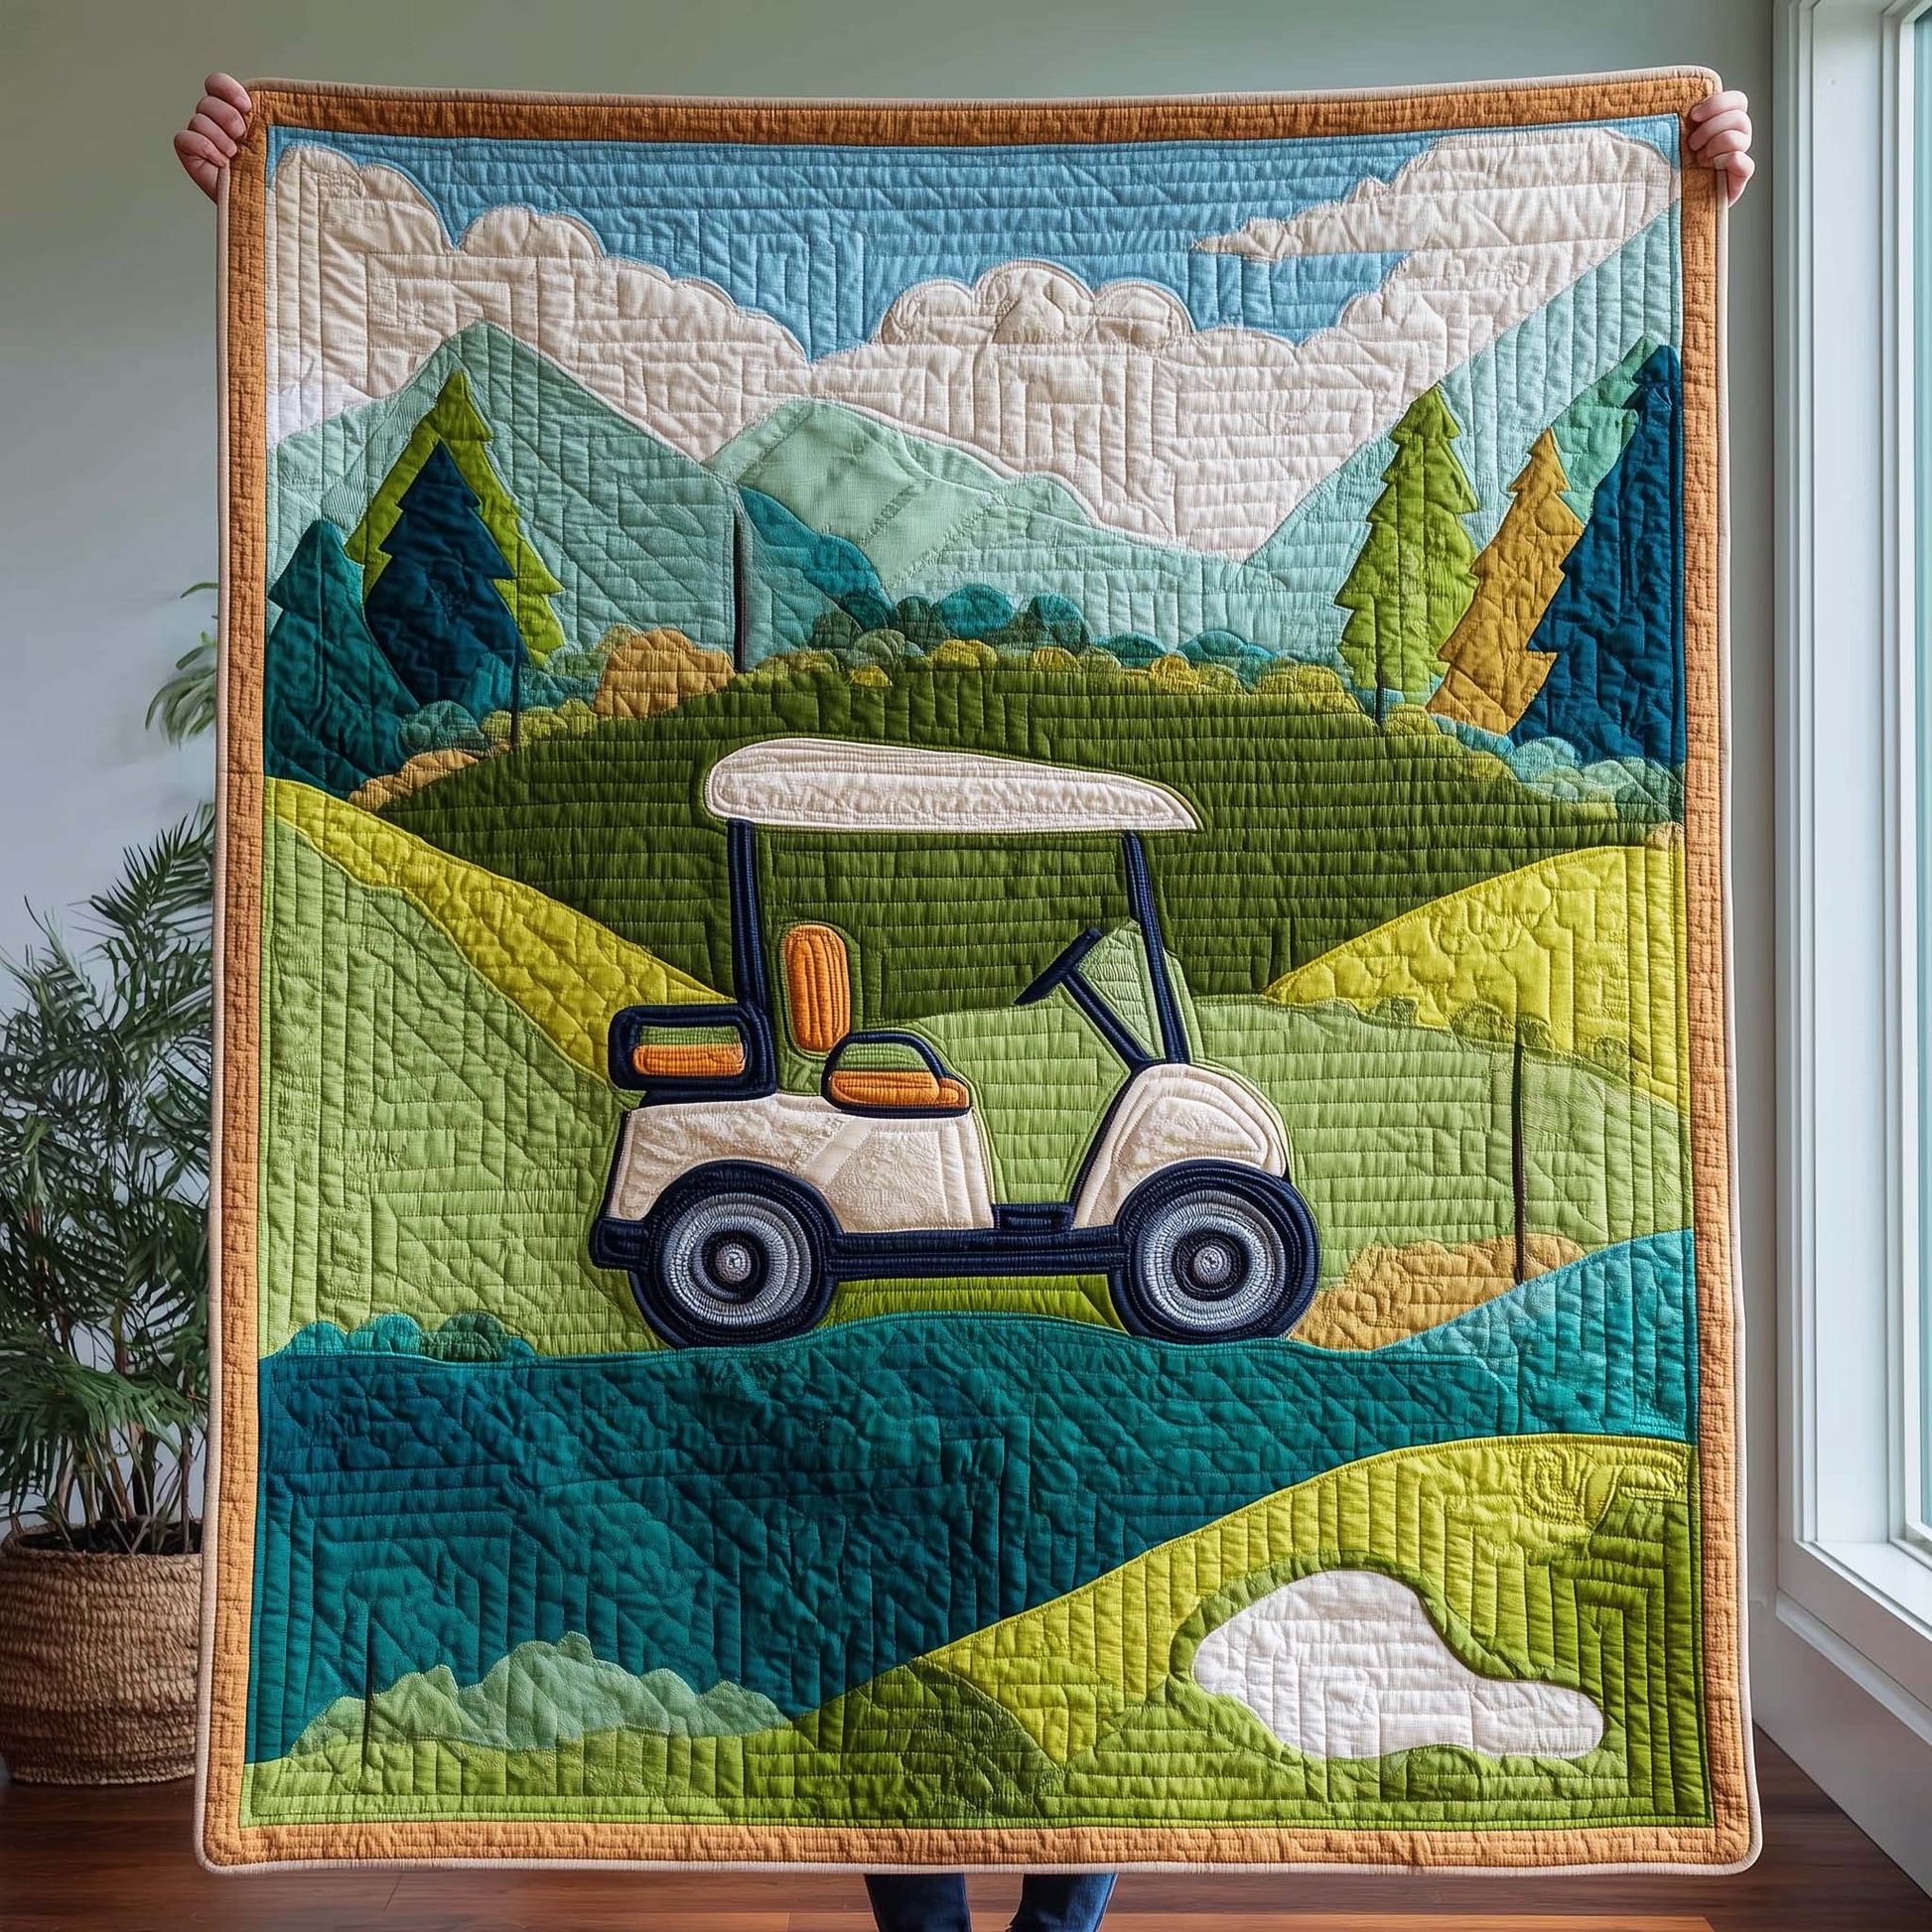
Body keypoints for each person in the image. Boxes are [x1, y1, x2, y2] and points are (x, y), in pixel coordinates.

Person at [176, 68, 1750, 1932]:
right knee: (868, 1555)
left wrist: (1678, 187)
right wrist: (267, 196)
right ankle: (927, 1910)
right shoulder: (782, 1106)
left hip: (867, 1106)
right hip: (831, 1165)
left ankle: (1059, 1908)